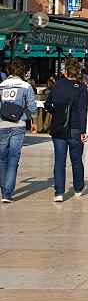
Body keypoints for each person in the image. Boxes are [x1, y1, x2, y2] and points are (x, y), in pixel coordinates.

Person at [45, 57, 88, 202]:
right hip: (76, 126)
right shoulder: (81, 87)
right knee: (76, 160)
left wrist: (57, 114)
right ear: (77, 73)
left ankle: (59, 192)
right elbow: (83, 110)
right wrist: (83, 131)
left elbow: (47, 104)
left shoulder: (56, 85)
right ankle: (78, 188)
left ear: (65, 72)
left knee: (59, 161)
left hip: (58, 127)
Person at [0, 58, 37, 202]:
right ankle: (7, 193)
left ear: (8, 70)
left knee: (2, 159)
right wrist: (35, 121)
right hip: (18, 123)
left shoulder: (2, 85)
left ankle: (4, 189)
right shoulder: (25, 86)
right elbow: (32, 105)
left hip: (2, 123)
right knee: (13, 158)